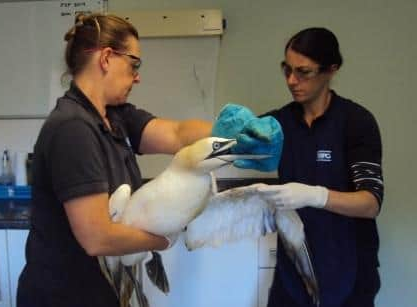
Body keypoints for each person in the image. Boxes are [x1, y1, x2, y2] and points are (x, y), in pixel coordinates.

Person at [16, 13, 281, 307]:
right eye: (134, 64)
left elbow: (178, 134)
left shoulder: (115, 116)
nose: (137, 76)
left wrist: (234, 136)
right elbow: (97, 238)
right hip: (64, 295)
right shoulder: (72, 129)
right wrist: (164, 240)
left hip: (100, 288)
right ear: (106, 58)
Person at [258, 28, 384, 307]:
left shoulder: (356, 122)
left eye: (304, 72)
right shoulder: (279, 124)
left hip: (350, 271)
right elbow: (231, 139)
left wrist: (316, 196)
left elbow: (370, 203)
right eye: (287, 70)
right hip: (293, 273)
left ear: (331, 70)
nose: (292, 81)